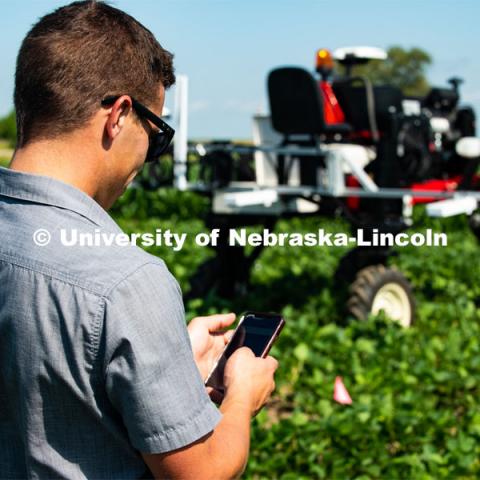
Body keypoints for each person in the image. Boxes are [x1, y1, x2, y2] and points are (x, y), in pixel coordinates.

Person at [0, 1, 278, 478]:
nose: (151, 152)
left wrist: (167, 366)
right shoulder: (125, 281)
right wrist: (241, 395)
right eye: (158, 134)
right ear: (120, 116)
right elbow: (201, 472)